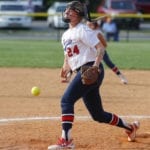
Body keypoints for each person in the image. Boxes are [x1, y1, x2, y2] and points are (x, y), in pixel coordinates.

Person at [48, 1, 139, 150]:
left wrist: (95, 66)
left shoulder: (83, 30)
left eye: (72, 10)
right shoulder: (65, 35)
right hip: (83, 71)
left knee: (66, 100)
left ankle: (66, 140)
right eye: (67, 10)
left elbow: (101, 48)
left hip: (91, 68)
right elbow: (69, 57)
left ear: (79, 15)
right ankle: (130, 127)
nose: (67, 12)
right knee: (98, 115)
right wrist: (66, 70)